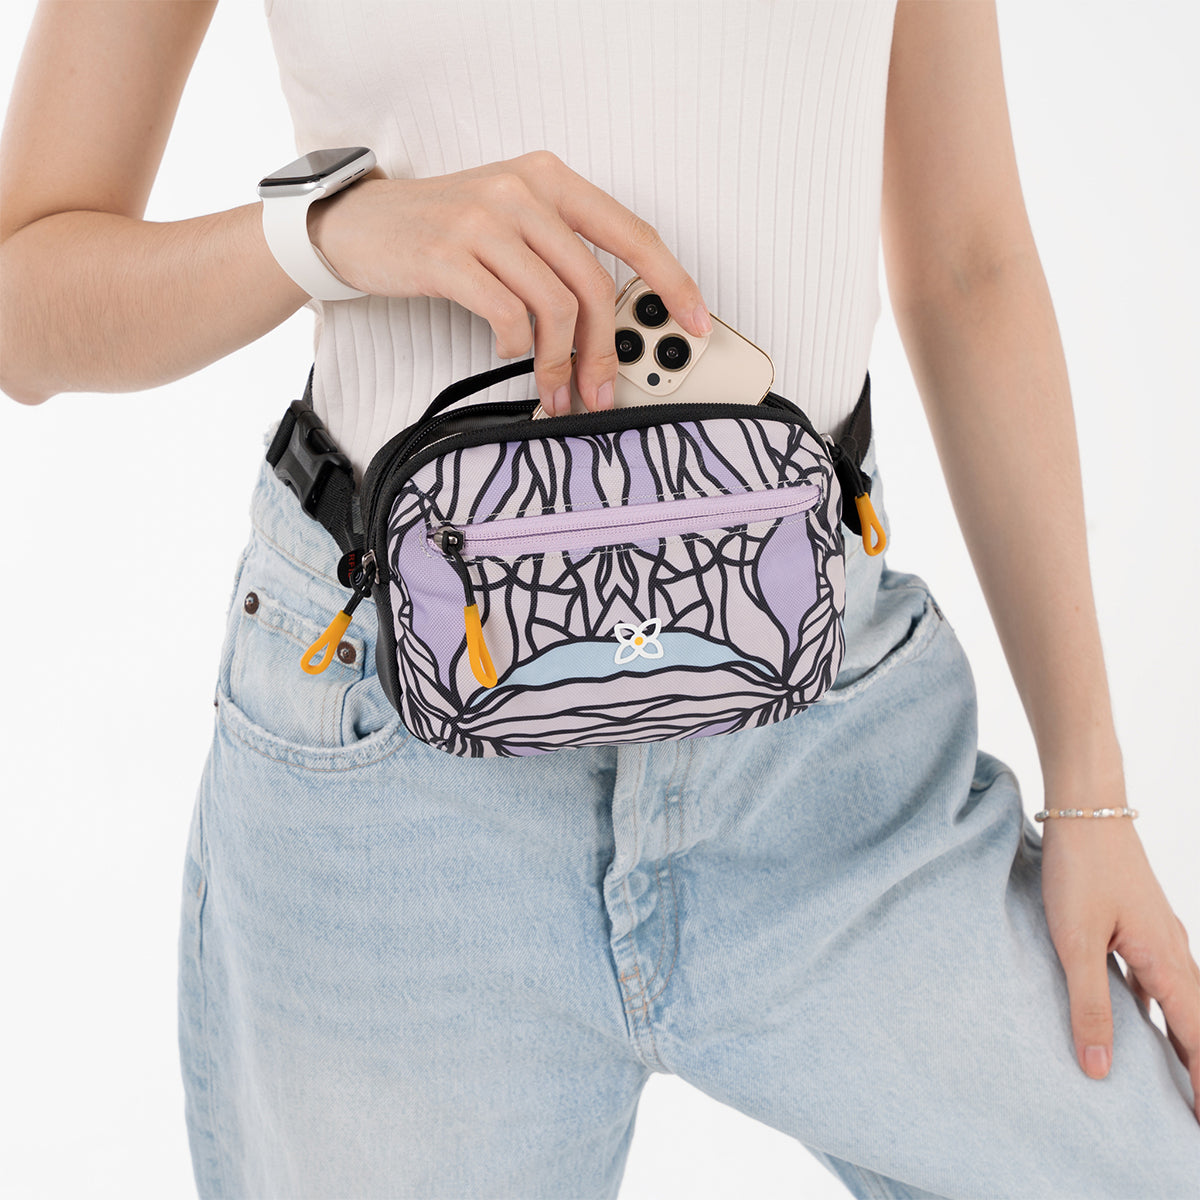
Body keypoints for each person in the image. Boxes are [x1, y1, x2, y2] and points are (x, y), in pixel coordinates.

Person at [2, 2, 1197, 1197]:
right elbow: (23, 303)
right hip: (398, 768)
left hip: (825, 724)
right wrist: (324, 234)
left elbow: (969, 260)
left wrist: (1092, 794)